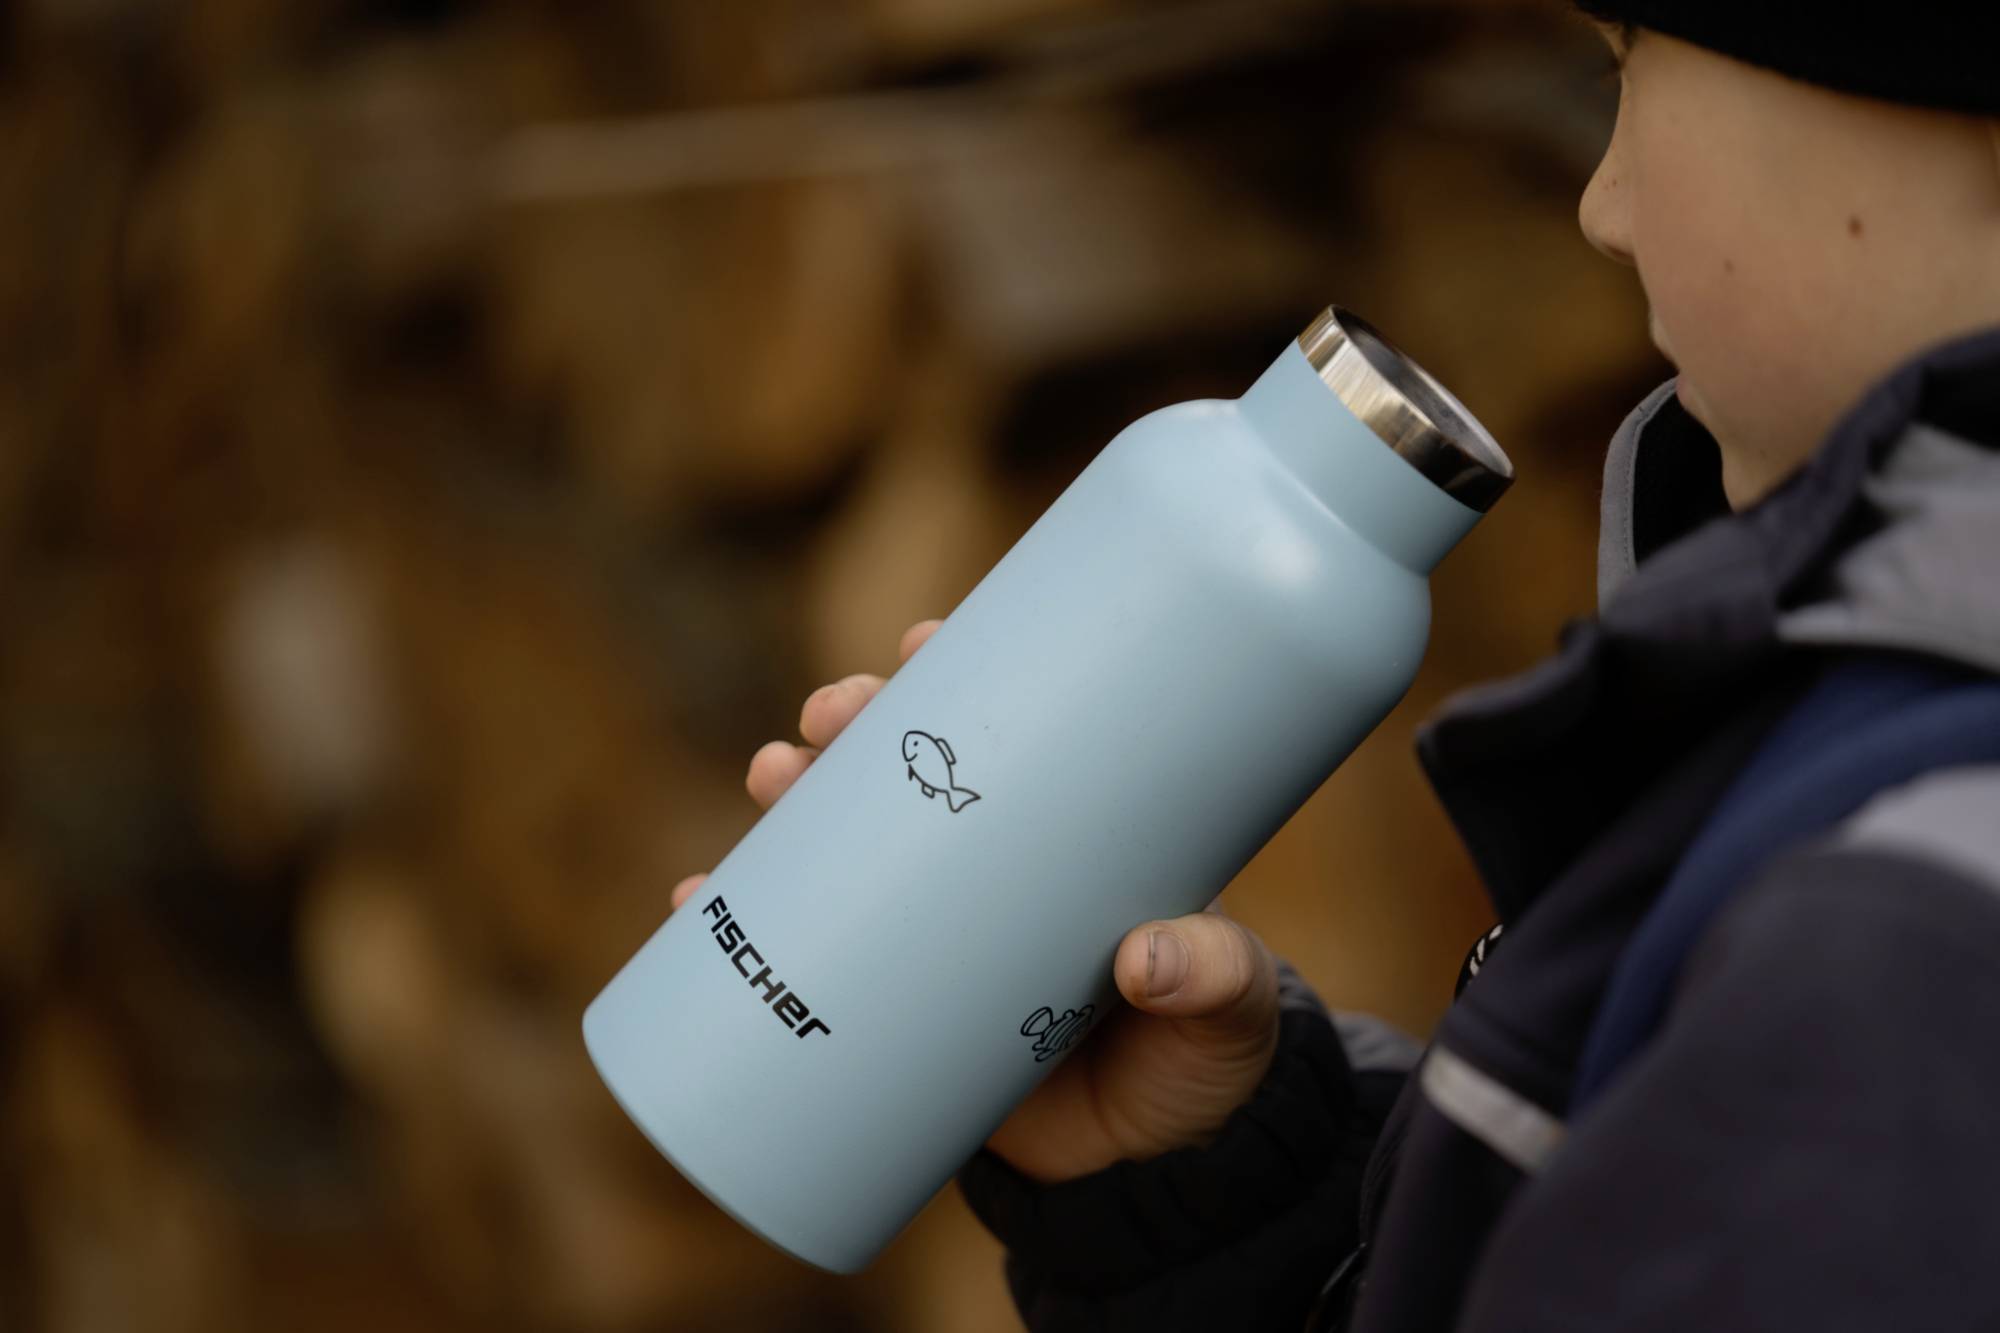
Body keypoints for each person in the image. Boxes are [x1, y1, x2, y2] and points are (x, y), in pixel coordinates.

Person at [673, 3, 2000, 1327]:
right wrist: (1227, 1194)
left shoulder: (1896, 944)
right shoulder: (1838, 743)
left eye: (1633, 60)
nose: (1603, 202)